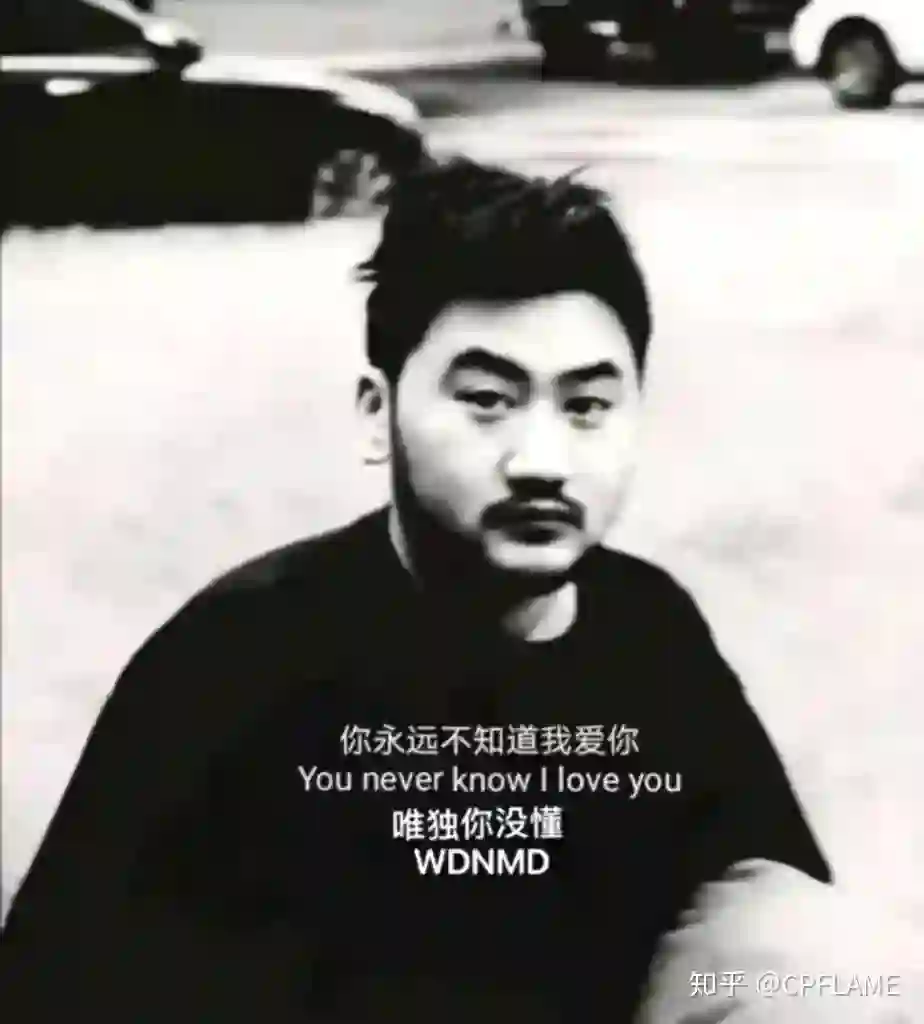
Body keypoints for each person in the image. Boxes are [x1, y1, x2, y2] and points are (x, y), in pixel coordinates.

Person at [2, 157, 832, 1023]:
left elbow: (781, 923)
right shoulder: (235, 658)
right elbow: (48, 985)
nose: (541, 461)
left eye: (586, 406)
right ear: (378, 411)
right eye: (488, 400)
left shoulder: (650, 632)